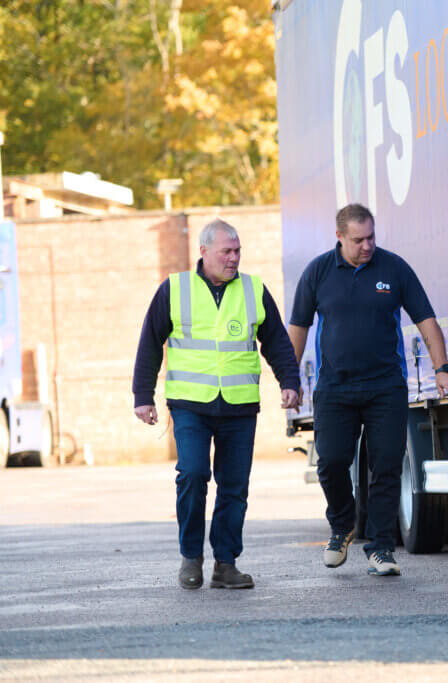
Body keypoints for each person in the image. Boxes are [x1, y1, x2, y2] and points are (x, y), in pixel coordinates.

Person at [288, 203, 448, 577]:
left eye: (371, 237)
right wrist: (290, 380)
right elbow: (299, 327)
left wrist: (443, 369)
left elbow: (426, 319)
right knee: (332, 462)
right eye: (358, 240)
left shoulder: (394, 268)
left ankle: (381, 548)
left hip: (385, 387)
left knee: (385, 467)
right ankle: (342, 525)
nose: (367, 246)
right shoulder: (318, 272)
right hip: (335, 388)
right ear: (339, 237)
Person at [132, 219, 301, 590]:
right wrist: (142, 397)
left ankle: (226, 564)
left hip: (239, 406)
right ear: (204, 251)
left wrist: (289, 381)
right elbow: (149, 342)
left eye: (238, 250)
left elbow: (275, 341)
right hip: (191, 404)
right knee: (192, 474)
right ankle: (191, 557)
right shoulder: (175, 289)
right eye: (227, 251)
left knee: (234, 487)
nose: (234, 258)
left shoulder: (253, 288)